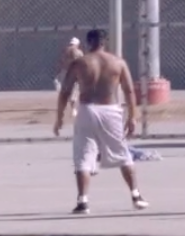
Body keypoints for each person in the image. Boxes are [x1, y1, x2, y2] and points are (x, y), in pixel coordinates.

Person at [54, 28, 149, 214]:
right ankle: (136, 195)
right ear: (104, 42)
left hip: (87, 109)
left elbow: (65, 91)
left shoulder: (80, 63)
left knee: (83, 155)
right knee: (122, 153)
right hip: (111, 110)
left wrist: (58, 118)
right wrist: (132, 117)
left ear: (88, 43)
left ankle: (83, 201)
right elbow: (129, 90)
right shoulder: (117, 62)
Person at [54, 37, 83, 118]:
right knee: (74, 89)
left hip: (65, 71)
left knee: (61, 85)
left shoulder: (65, 50)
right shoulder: (78, 52)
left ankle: (65, 103)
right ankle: (73, 108)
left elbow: (61, 62)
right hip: (73, 72)